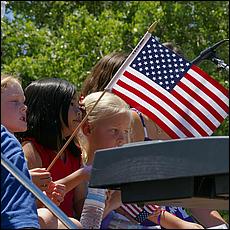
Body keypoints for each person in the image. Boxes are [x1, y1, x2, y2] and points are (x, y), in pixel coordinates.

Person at [80, 51, 228, 228]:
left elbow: (188, 187)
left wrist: (219, 226)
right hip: (144, 220)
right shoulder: (128, 124)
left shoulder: (169, 125)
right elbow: (126, 200)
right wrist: (176, 223)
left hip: (171, 213)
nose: (121, 137)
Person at [77, 91, 204, 229]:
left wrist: (181, 225)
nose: (122, 139)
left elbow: (146, 211)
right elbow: (89, 224)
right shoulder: (83, 172)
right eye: (114, 130)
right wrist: (115, 201)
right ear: (88, 129)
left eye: (125, 131)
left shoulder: (116, 170)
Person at [1, 74, 82, 229]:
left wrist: (43, 196)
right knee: (48, 217)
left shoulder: (74, 152)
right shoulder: (27, 149)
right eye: (14, 101)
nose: (24, 107)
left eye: (23, 102)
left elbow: (23, 200)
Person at [17, 77, 91, 220]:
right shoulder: (30, 150)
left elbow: (79, 203)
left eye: (79, 104)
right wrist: (80, 175)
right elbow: (36, 201)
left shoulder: (74, 152)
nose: (79, 111)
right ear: (50, 108)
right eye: (71, 104)